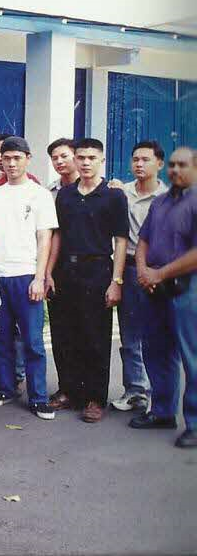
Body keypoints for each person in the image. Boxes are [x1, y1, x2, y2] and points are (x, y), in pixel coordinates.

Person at [48, 138, 128, 423]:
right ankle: (68, 389)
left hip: (97, 271)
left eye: (91, 158)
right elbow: (56, 235)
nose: (85, 162)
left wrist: (116, 280)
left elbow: (120, 240)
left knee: (95, 336)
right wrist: (48, 272)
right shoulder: (66, 195)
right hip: (65, 272)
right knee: (64, 334)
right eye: (80, 157)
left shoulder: (114, 196)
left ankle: (95, 397)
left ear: (101, 160)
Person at [0, 136, 57, 418]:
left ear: (28, 158)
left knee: (33, 341)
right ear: (0, 159)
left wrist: (39, 277)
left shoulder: (39, 195)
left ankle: (38, 397)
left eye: (17, 158)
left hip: (26, 275)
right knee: (0, 338)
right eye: (6, 158)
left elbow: (44, 238)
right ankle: (5, 386)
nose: (11, 163)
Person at [135, 147, 197, 448]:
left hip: (188, 287)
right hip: (153, 286)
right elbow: (142, 239)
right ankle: (162, 411)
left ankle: (195, 424)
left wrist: (159, 274)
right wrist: (144, 271)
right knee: (156, 351)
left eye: (182, 165)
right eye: (171, 165)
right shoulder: (160, 202)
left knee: (191, 356)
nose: (175, 170)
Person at [111, 141, 165, 413]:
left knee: (157, 336)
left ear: (160, 164)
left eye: (145, 159)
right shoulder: (123, 193)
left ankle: (161, 396)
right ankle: (135, 391)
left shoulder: (169, 198)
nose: (139, 164)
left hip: (159, 272)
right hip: (129, 268)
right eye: (135, 159)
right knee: (130, 336)